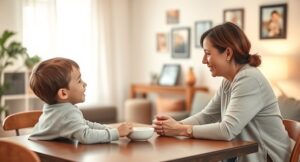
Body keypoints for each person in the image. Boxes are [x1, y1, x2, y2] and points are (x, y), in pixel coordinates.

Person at [153, 22, 293, 162]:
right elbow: (206, 116)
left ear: (228, 53)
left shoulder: (249, 78)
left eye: (207, 53)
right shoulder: (229, 80)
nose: (203, 61)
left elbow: (227, 130)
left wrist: (179, 130)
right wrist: (173, 126)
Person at [29, 57, 133, 144]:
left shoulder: (54, 108)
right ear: (63, 93)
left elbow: (84, 124)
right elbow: (85, 136)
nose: (85, 83)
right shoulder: (66, 114)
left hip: (40, 151)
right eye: (79, 81)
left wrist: (110, 129)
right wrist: (116, 133)